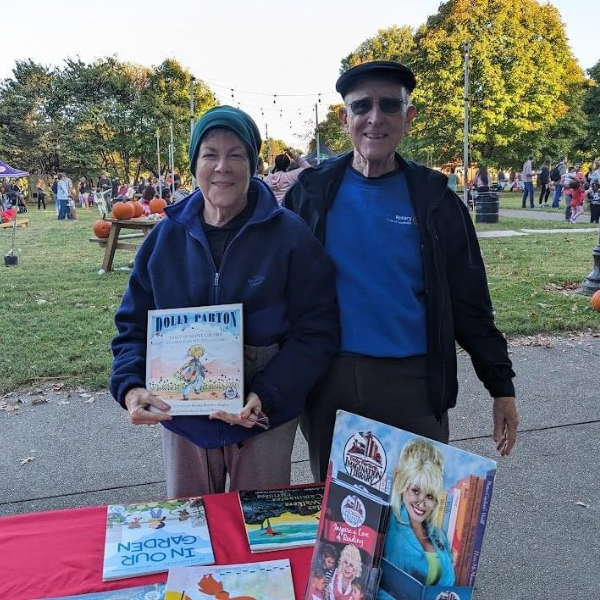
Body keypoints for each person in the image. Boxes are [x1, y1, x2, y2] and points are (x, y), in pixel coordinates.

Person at [284, 60, 518, 483]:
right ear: (344, 119)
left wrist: (501, 386)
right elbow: (275, 286)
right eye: (362, 107)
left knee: (416, 516)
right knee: (340, 525)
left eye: (389, 105)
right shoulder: (309, 194)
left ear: (408, 117)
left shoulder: (436, 201)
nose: (375, 118)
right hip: (328, 379)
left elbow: (470, 303)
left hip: (413, 381)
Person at [110, 105, 338, 499]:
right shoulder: (163, 242)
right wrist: (130, 387)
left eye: (236, 155)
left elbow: (317, 331)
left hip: (263, 416)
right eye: (210, 155)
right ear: (194, 164)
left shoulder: (290, 237)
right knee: (193, 532)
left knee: (260, 537)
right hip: (184, 422)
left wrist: (268, 394)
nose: (222, 167)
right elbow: (132, 327)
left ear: (253, 164)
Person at [383, 439, 454, 586]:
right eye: (415, 491)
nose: (421, 503)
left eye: (429, 496)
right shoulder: (386, 523)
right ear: (403, 486)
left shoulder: (439, 536)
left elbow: (450, 583)